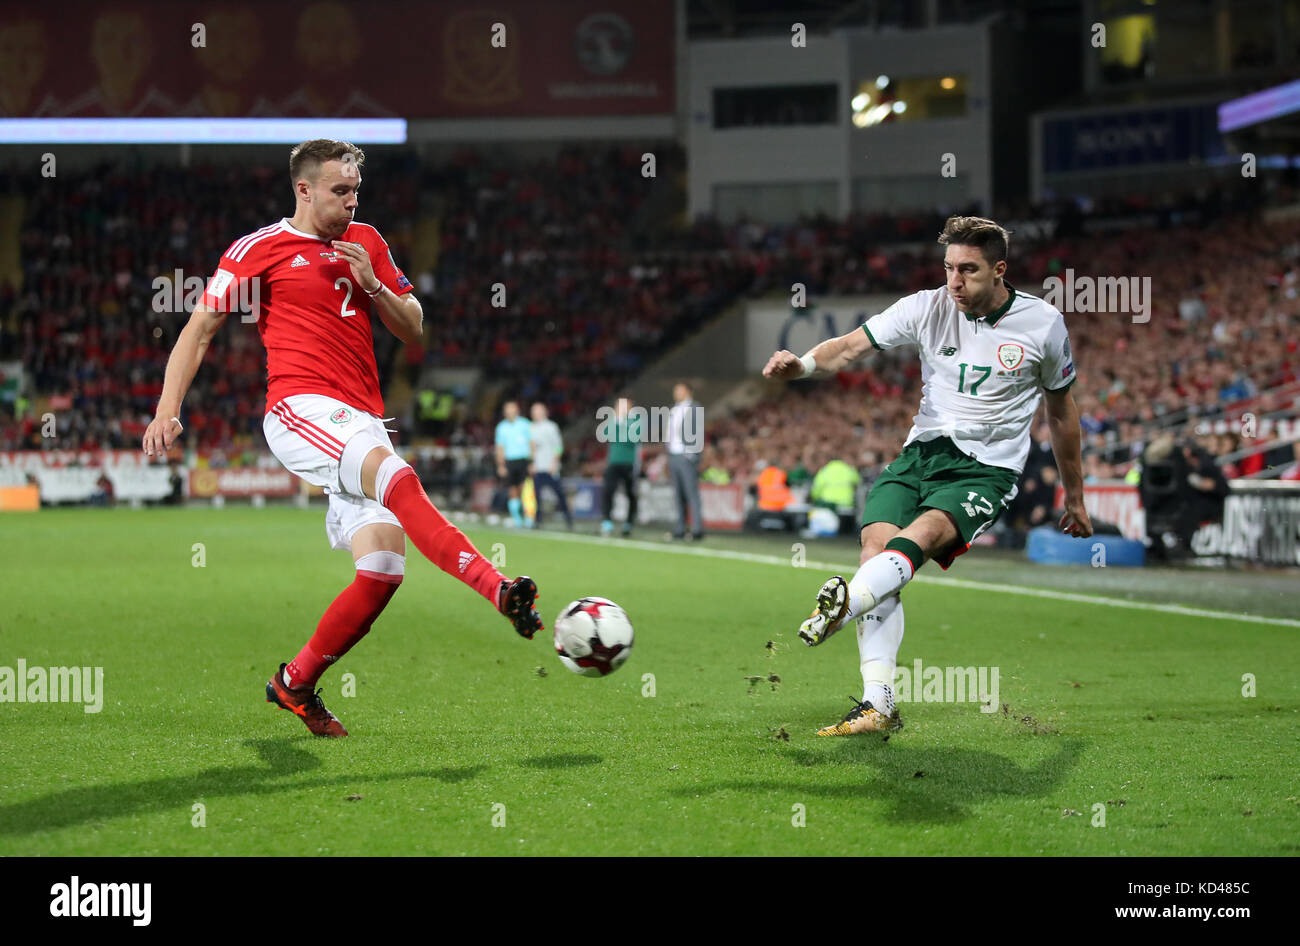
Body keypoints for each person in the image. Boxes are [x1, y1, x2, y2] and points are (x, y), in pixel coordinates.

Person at [142, 138, 542, 738]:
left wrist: (373, 286)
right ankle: (497, 587)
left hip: (361, 420)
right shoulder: (261, 248)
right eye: (339, 190)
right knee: (396, 477)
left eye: (356, 190)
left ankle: (294, 684)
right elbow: (200, 328)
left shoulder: (367, 243)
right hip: (299, 409)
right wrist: (167, 409)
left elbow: (415, 329)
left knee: (381, 569)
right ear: (303, 190)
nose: (352, 201)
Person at [763, 215, 1092, 736]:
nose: (954, 282)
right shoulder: (927, 305)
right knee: (877, 554)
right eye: (948, 268)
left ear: (999, 270)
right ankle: (878, 704)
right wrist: (801, 367)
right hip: (921, 454)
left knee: (923, 535)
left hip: (986, 469)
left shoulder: (1042, 324)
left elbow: (1061, 412)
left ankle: (844, 606)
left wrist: (1075, 496)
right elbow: (847, 347)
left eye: (968, 270)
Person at [666, 382, 703, 540]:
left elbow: (698, 431)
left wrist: (692, 454)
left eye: (679, 390)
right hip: (673, 455)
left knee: (691, 493)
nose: (676, 393)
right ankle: (680, 527)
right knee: (678, 494)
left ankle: (696, 528)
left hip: (686, 456)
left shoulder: (695, 408)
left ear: (688, 391)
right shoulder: (674, 409)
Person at [529, 401, 572, 529]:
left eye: (538, 410)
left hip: (550, 468)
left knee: (560, 494)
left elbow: (558, 447)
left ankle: (568, 520)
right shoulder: (531, 428)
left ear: (544, 412)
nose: (535, 413)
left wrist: (554, 463)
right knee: (536, 496)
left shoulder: (551, 427)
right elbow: (531, 448)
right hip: (538, 468)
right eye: (534, 411)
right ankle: (538, 521)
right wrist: (531, 464)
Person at [601, 397, 640, 536]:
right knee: (608, 491)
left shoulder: (635, 421)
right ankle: (607, 521)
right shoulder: (613, 421)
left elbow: (631, 439)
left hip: (629, 464)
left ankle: (629, 523)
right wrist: (616, 421)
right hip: (613, 463)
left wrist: (621, 423)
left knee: (630, 494)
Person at [494, 400, 532, 527]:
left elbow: (531, 443)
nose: (510, 412)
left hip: (523, 460)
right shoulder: (501, 427)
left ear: (517, 410)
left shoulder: (525, 424)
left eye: (512, 409)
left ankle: (529, 516)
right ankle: (517, 518)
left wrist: (532, 461)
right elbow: (500, 447)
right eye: (507, 409)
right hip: (510, 461)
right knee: (513, 490)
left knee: (525, 489)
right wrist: (500, 465)